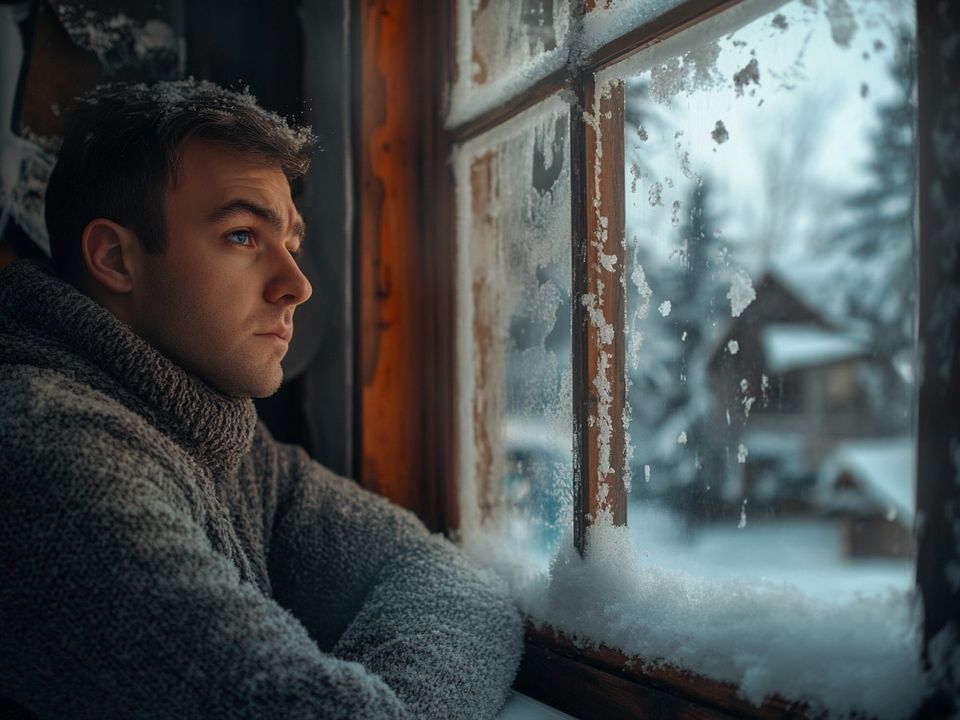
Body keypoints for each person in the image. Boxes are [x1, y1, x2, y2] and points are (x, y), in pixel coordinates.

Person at [0, 80, 522, 719]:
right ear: (115, 257)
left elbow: (458, 588)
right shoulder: (46, 456)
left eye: (292, 244)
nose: (298, 285)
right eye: (243, 236)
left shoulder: (228, 445)